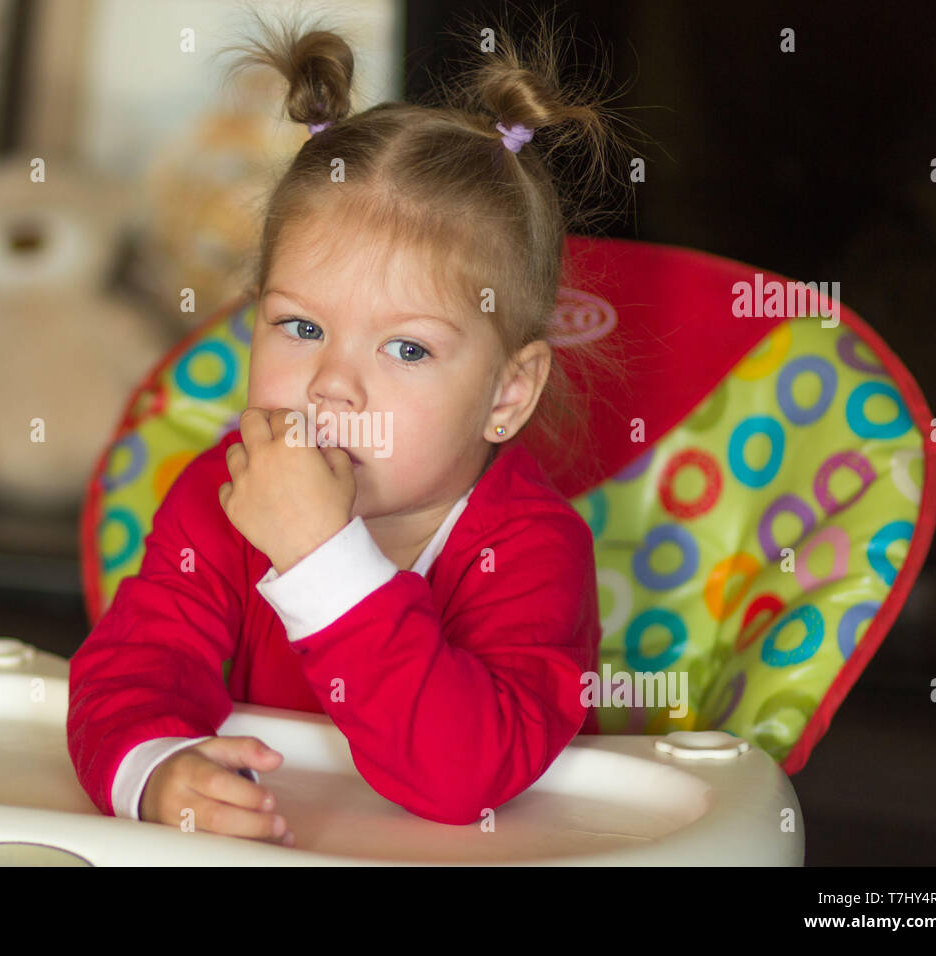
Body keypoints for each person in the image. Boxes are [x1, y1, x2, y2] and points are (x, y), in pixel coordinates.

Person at [68, 8, 634, 849]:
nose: (333, 383)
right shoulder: (227, 494)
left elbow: (466, 776)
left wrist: (323, 559)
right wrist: (155, 768)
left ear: (507, 393)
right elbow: (133, 666)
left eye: (406, 347)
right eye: (300, 328)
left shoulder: (530, 552)